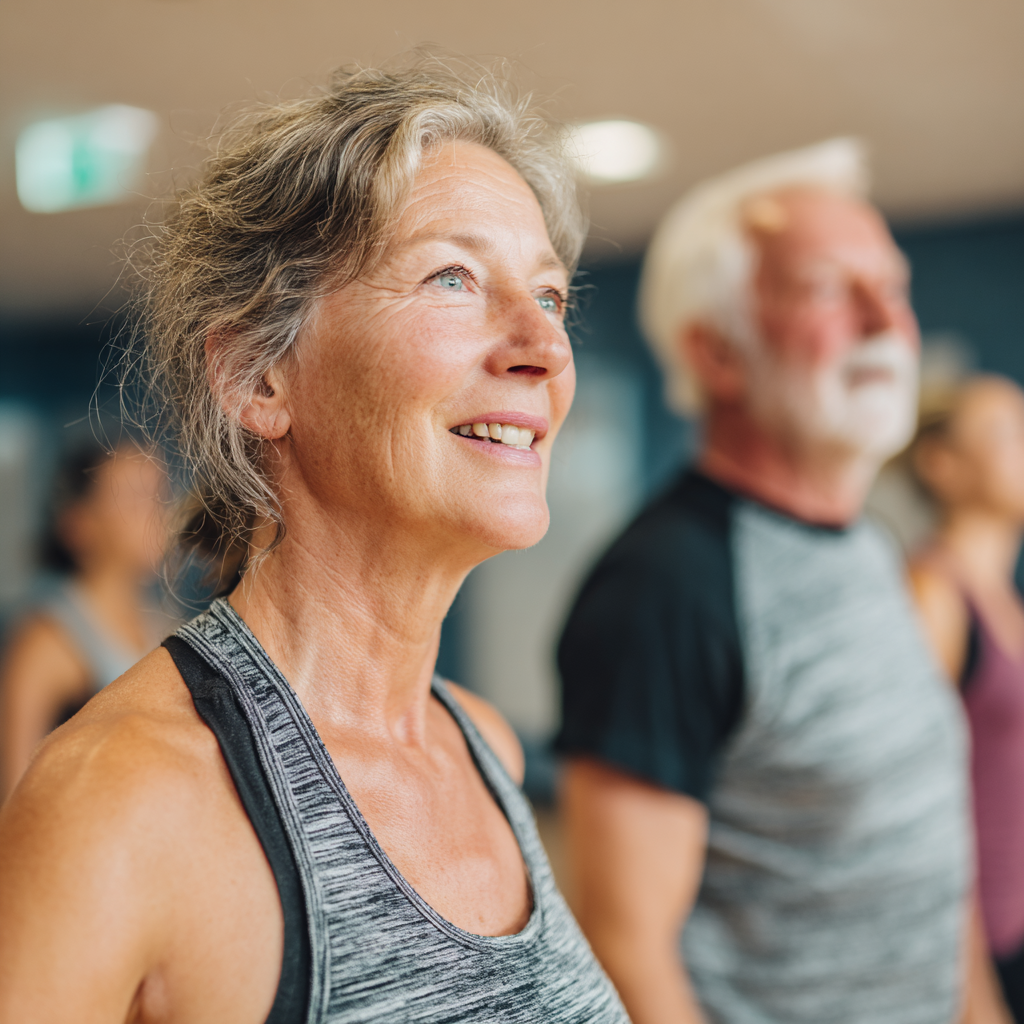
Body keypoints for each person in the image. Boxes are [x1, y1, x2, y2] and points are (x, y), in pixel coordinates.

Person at [0, 56, 628, 1024]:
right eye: (452, 277)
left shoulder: (481, 744)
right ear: (259, 378)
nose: (542, 349)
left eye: (549, 296)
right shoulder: (121, 802)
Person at [555, 139, 991, 1024]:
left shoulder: (870, 550)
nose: (885, 321)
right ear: (718, 354)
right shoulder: (663, 589)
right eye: (830, 287)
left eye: (893, 287)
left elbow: (932, 861)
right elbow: (625, 951)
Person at [908, 375, 1024, 1023]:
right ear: (943, 465)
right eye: (1006, 433)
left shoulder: (1006, 600)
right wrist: (973, 993)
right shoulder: (935, 595)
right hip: (974, 954)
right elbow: (921, 811)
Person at [0, 438, 171, 798]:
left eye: (161, 496)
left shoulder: (165, 625)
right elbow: (13, 796)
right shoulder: (45, 640)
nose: (157, 515)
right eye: (137, 498)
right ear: (78, 522)